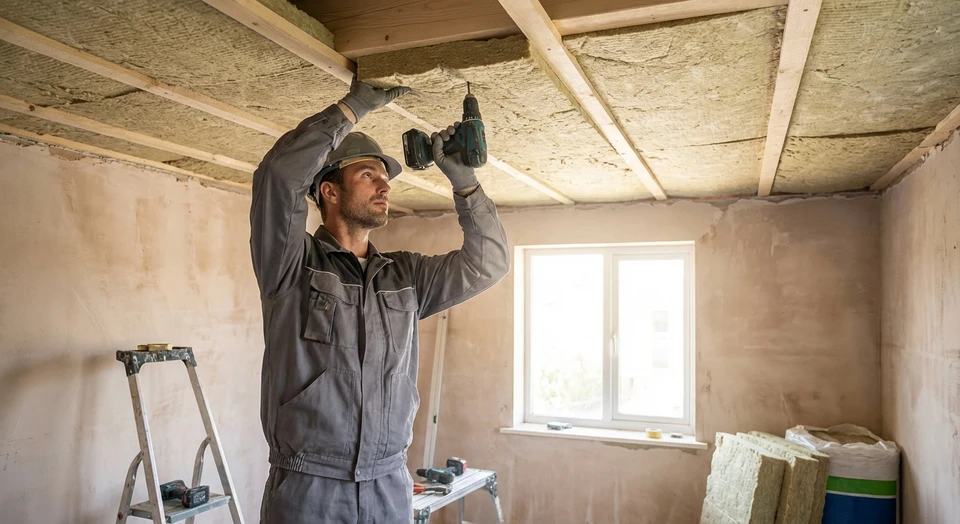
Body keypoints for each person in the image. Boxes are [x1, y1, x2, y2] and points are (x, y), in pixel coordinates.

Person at [249, 78, 510, 523]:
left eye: (385, 178)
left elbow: (488, 263)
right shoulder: (291, 266)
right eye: (368, 175)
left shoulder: (406, 276)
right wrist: (349, 109)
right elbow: (278, 176)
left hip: (389, 484)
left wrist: (464, 182)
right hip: (310, 487)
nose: (384, 186)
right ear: (329, 191)